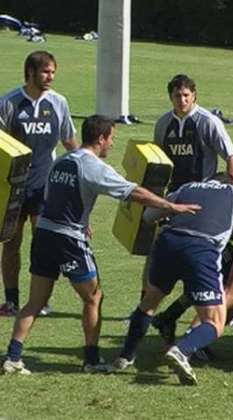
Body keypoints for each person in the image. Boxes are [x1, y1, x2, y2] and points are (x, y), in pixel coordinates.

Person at [1, 115, 200, 375]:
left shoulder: (62, 160)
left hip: (44, 234)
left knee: (35, 301)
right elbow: (135, 192)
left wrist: (82, 220)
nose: (112, 144)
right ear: (101, 138)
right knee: (94, 297)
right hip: (68, 239)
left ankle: (13, 357)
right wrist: (171, 206)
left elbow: (52, 197)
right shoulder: (93, 166)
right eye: (111, 139)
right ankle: (92, 360)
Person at [112, 173, 233, 385]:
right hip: (201, 250)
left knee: (150, 301)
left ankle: (125, 356)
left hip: (167, 243)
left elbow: (148, 216)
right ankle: (181, 350)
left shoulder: (186, 187)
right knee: (215, 322)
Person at [138, 74, 233, 301]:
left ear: (194, 96)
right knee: (157, 249)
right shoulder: (164, 124)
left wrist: (229, 190)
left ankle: (231, 298)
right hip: (174, 198)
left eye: (186, 95)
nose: (182, 100)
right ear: (170, 97)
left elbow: (231, 156)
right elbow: (158, 160)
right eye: (177, 95)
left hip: (204, 199)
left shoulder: (208, 122)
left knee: (210, 251)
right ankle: (143, 302)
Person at [0, 51, 79, 316]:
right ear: (30, 72)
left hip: (46, 186)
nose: (50, 77)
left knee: (44, 243)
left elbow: (70, 142)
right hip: (13, 186)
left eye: (53, 72)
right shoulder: (9, 103)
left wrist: (80, 174)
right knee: (11, 242)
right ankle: (11, 300)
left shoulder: (58, 103)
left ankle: (41, 300)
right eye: (45, 71)